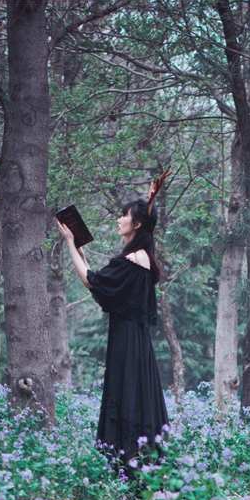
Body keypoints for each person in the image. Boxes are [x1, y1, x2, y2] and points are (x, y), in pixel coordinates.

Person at [56, 168, 171, 476]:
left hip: (127, 342)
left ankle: (127, 471)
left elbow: (93, 283)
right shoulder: (141, 258)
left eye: (124, 216)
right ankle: (137, 469)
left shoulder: (133, 260)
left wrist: (70, 242)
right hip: (135, 340)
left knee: (127, 397)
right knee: (136, 398)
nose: (119, 219)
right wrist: (80, 251)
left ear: (136, 224)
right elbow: (104, 285)